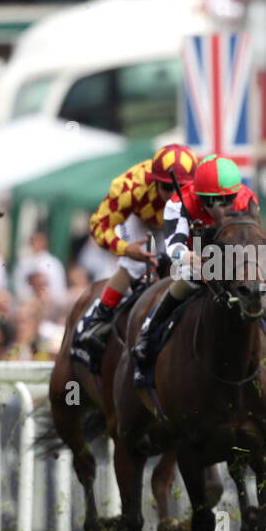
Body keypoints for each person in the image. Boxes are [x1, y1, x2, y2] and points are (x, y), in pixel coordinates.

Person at [131, 155, 266, 367]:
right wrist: (189, 258)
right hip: (194, 252)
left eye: (226, 199)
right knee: (187, 280)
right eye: (210, 200)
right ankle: (148, 332)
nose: (219, 208)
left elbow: (250, 239)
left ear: (235, 193)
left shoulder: (247, 199)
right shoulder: (178, 203)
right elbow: (173, 245)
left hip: (231, 256)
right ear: (199, 194)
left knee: (252, 283)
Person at [70, 143, 197, 366]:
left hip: (175, 222)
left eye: (181, 188)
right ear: (154, 181)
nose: (174, 196)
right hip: (139, 221)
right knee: (135, 264)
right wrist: (125, 248)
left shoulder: (198, 192)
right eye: (167, 188)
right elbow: (98, 225)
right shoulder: (130, 186)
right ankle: (98, 317)